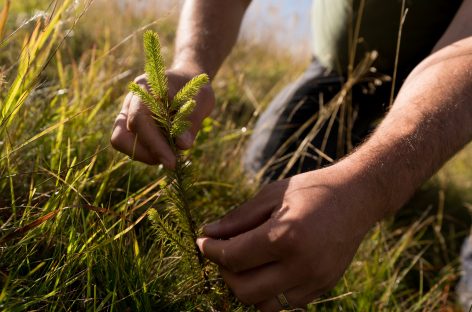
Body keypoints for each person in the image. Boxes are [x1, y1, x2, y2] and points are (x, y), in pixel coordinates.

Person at [111, 0, 472, 310]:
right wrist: (191, 65)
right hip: (339, 70)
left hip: (457, 72)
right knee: (271, 178)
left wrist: (368, 188)